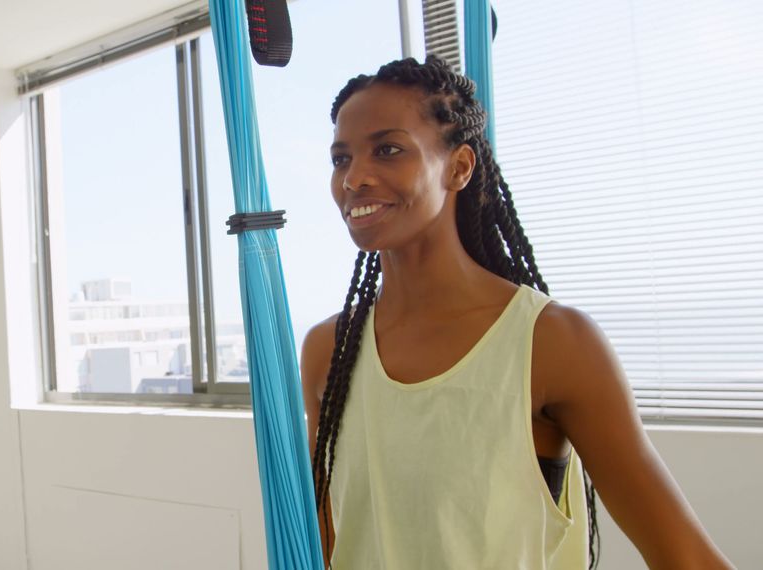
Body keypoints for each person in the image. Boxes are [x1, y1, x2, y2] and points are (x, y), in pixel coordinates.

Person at [300, 56, 732, 569]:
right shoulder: (330, 350)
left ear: (459, 167)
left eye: (388, 150)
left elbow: (686, 557)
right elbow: (324, 546)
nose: (354, 179)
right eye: (341, 158)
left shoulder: (551, 343)